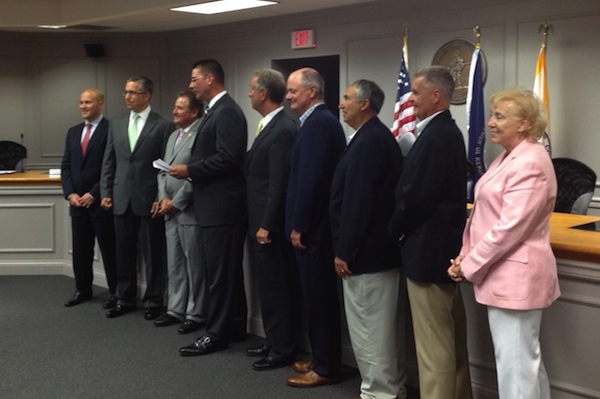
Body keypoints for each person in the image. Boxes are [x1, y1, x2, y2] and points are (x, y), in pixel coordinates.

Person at [448, 88, 560, 399]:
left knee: (517, 368)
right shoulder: (510, 155)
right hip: (505, 276)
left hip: (517, 279)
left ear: (523, 123)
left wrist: (468, 264)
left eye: (499, 116)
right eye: (493, 115)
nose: (491, 123)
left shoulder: (530, 163)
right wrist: (464, 256)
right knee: (525, 364)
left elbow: (508, 229)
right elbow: (483, 217)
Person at [388, 66, 473, 399]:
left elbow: (415, 199)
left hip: (427, 254)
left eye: (416, 92)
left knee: (434, 347)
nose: (410, 99)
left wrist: (393, 230)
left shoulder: (436, 136)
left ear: (436, 95)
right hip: (441, 253)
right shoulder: (444, 132)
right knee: (451, 341)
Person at [331, 79, 407, 399]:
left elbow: (358, 205)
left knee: (370, 331)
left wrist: (344, 251)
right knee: (380, 330)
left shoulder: (368, 142)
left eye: (346, 98)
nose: (340, 104)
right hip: (377, 253)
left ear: (364, 104)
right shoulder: (371, 137)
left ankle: (379, 394)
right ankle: (389, 390)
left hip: (366, 256)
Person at [171, 59, 248, 356]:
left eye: (194, 79)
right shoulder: (215, 111)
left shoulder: (226, 111)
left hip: (223, 207)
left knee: (220, 274)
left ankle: (215, 334)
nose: (191, 85)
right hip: (215, 206)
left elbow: (228, 158)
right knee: (226, 272)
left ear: (210, 79)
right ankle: (235, 326)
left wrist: (190, 169)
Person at [284, 67, 346, 388]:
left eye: (294, 90)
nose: (288, 96)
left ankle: (325, 367)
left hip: (315, 232)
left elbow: (312, 181)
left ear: (311, 91)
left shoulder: (320, 124)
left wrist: (299, 225)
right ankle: (322, 357)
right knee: (315, 298)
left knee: (319, 300)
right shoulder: (316, 123)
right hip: (316, 229)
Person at [100, 76, 175, 320]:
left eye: (133, 92)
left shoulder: (163, 125)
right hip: (121, 197)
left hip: (149, 197)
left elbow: (166, 165)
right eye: (125, 92)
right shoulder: (117, 123)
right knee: (123, 252)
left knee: (152, 253)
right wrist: (105, 192)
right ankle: (125, 298)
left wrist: (160, 195)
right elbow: (109, 160)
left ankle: (153, 300)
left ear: (147, 96)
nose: (127, 97)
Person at [244, 69, 299, 371]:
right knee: (268, 287)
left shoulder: (282, 129)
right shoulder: (268, 125)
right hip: (259, 222)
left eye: (252, 89)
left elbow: (279, 183)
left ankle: (282, 349)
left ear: (264, 93)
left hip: (270, 227)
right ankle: (273, 339)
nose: (249, 93)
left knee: (277, 288)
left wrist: (267, 224)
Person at [154, 90, 206, 334]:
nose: (173, 111)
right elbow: (163, 171)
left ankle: (196, 313)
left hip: (188, 210)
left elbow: (196, 174)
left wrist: (177, 202)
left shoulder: (201, 135)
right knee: (174, 263)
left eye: (179, 108)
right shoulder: (174, 134)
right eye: (174, 107)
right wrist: (164, 199)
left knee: (194, 265)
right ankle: (175, 309)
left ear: (194, 112)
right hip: (169, 211)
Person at [61, 88, 117, 309]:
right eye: (81, 102)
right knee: (81, 251)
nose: (83, 106)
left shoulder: (111, 130)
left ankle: (116, 293)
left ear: (100, 104)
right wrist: (71, 193)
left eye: (88, 102)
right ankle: (82, 289)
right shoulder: (73, 132)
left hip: (100, 203)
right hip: (77, 204)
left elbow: (112, 167)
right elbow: (66, 167)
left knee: (109, 250)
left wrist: (94, 193)